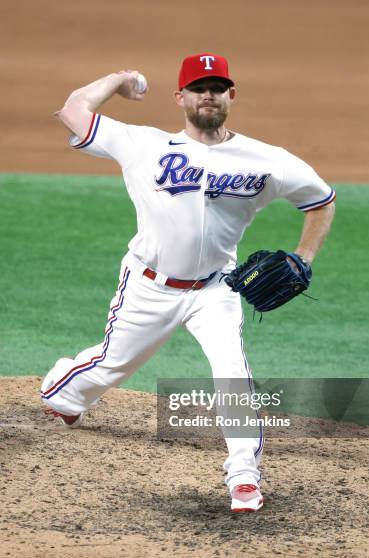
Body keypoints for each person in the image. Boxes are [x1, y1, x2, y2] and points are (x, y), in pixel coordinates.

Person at [41, 54, 335, 513]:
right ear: (181, 97)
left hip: (217, 290)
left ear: (231, 95)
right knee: (104, 372)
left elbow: (321, 200)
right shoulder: (143, 144)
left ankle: (243, 475)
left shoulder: (266, 160)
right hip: (148, 286)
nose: (209, 95)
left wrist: (304, 257)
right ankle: (65, 389)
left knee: (232, 373)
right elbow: (72, 111)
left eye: (218, 87)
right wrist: (118, 79)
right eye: (199, 88)